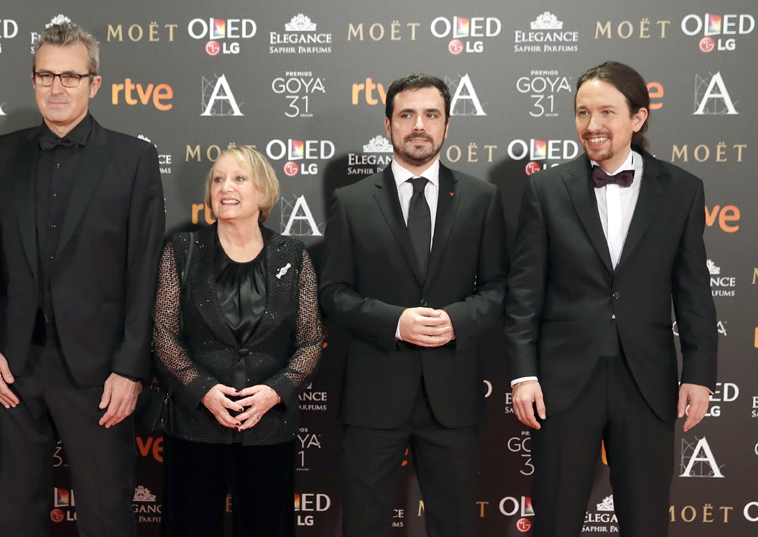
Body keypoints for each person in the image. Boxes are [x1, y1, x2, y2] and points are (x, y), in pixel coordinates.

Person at [506, 61, 717, 537]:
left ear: (638, 118)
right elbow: (524, 292)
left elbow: (693, 291)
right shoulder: (545, 189)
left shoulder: (682, 189)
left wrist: (700, 374)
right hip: (562, 382)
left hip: (646, 379)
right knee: (555, 519)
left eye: (606, 111)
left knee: (645, 520)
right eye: (582, 112)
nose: (591, 125)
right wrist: (523, 374)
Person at [0, 20, 165, 537]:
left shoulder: (134, 158)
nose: (57, 88)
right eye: (46, 76)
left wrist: (131, 367)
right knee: (14, 515)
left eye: (71, 77)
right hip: (14, 365)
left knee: (106, 515)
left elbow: (145, 268)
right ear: (33, 81)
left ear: (94, 83)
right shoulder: (2, 153)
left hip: (100, 373)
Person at [318, 74, 507, 537]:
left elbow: (500, 288)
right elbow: (333, 293)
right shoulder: (353, 201)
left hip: (454, 399)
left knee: (456, 524)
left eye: (431, 115)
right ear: (388, 125)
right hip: (373, 398)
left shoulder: (482, 199)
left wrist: (456, 320)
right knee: (364, 525)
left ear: (447, 126)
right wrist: (396, 321)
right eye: (406, 115)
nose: (418, 125)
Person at [153, 146, 323, 536]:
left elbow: (311, 340)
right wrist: (204, 390)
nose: (225, 187)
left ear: (263, 192)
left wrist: (274, 392)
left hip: (269, 428)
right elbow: (164, 332)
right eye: (218, 179)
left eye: (239, 178)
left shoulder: (293, 255)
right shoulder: (182, 251)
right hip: (196, 425)